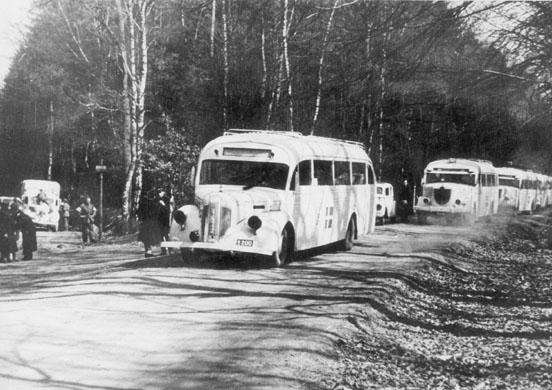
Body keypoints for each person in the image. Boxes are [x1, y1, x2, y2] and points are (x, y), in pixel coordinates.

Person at [137, 189, 163, 257]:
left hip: (145, 222)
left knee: (146, 237)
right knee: (151, 237)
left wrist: (141, 219)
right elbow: (156, 212)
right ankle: (150, 251)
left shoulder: (143, 202)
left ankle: (148, 251)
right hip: (151, 222)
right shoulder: (153, 203)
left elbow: (139, 212)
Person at [158, 189, 172, 255]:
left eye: (160, 192)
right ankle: (163, 250)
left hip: (165, 221)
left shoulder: (167, 199)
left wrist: (163, 205)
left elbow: (168, 210)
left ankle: (170, 250)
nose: (159, 193)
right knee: (161, 236)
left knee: (166, 236)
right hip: (160, 221)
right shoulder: (158, 199)